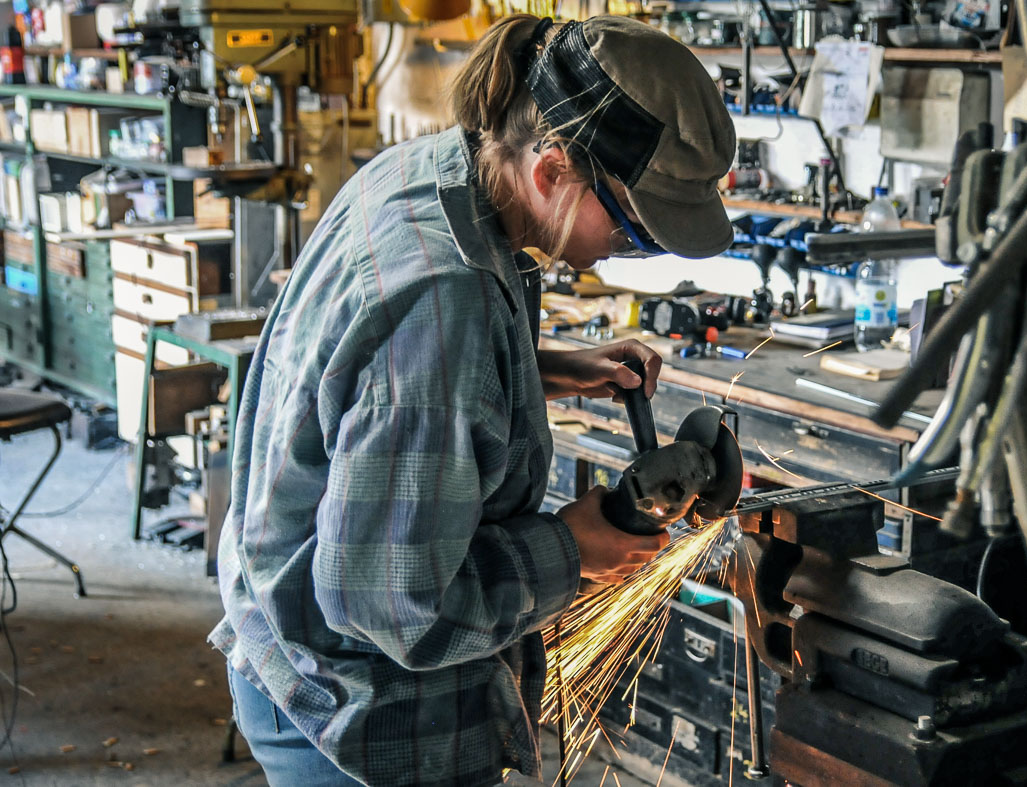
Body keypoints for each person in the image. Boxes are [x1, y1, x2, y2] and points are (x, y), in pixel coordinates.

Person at [209, 14, 737, 786]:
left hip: (285, 637)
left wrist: (543, 365)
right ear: (551, 172)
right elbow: (389, 602)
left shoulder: (438, 171)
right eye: (632, 229)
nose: (630, 251)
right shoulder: (444, 301)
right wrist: (574, 548)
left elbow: (373, 378)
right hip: (352, 710)